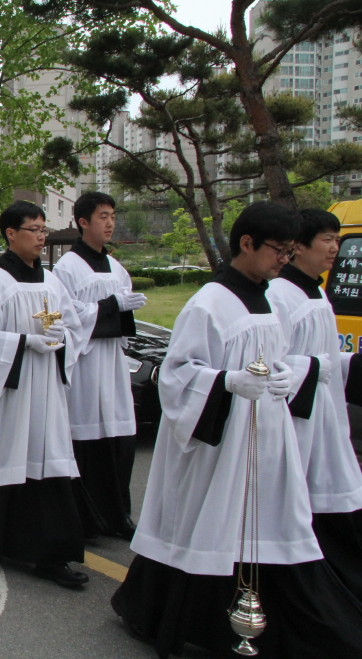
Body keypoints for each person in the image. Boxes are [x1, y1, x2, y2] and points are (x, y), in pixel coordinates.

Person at [112, 202, 362, 659]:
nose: (283, 260)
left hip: (267, 436)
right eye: (278, 250)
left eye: (289, 251)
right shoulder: (208, 303)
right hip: (219, 443)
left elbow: (278, 353)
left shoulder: (266, 298)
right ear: (246, 244)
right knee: (208, 530)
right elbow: (176, 375)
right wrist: (227, 381)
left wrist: (289, 374)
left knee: (268, 528)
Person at [0, 200, 89, 589]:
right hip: (11, 395)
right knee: (7, 458)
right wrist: (25, 342)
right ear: (11, 234)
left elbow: (73, 327)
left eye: (44, 230)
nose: (42, 237)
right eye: (35, 230)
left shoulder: (53, 281)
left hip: (46, 394)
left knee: (48, 462)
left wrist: (63, 340)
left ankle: (51, 554)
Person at [267, 208, 362, 601]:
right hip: (296, 420)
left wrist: (349, 365)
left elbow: (322, 356)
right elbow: (270, 362)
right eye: (327, 239)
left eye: (338, 240)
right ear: (298, 246)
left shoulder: (318, 291)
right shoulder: (278, 295)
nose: (335, 249)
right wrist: (318, 367)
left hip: (325, 415)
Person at [53, 192, 146, 539]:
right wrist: (109, 306)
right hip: (87, 364)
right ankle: (87, 517)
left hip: (113, 364)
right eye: (103, 216)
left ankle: (118, 513)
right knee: (88, 442)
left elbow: (124, 316)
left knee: (119, 441)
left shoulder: (118, 268)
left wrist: (122, 309)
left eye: (112, 216)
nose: (110, 223)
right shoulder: (67, 268)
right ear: (83, 222)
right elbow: (64, 316)